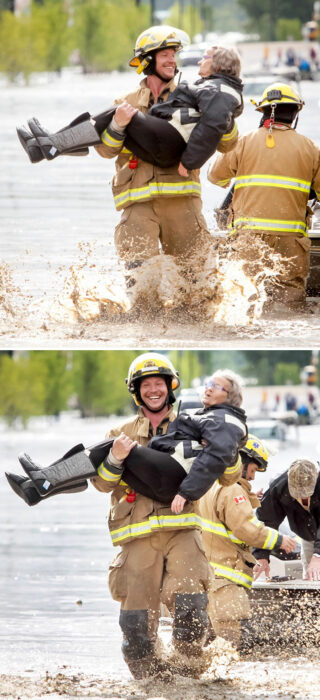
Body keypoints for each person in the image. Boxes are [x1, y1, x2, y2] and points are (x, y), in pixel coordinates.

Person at [17, 26, 242, 292]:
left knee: (197, 291)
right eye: (166, 55)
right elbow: (107, 150)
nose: (173, 61)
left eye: (174, 55)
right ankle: (54, 145)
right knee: (140, 293)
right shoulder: (126, 101)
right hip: (137, 205)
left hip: (183, 203)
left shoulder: (193, 93)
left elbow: (227, 146)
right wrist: (118, 126)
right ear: (148, 60)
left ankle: (52, 145)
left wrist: (223, 118)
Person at [6, 364, 248, 512]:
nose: (208, 388)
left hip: (176, 491)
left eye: (217, 387)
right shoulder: (205, 417)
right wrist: (115, 459)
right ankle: (37, 489)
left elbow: (220, 460)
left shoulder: (225, 421)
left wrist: (186, 492)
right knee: (111, 449)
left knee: (114, 445)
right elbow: (101, 484)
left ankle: (46, 479)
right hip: (154, 498)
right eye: (146, 385)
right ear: (136, 392)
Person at [207, 81, 320, 311]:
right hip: (291, 242)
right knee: (289, 307)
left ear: (263, 111)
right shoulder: (310, 148)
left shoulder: (243, 142)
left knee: (246, 300)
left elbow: (215, 178)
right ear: (296, 112)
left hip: (249, 240)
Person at [198, 436, 296, 651]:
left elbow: (224, 515)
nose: (252, 477)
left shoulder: (208, 483)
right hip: (225, 581)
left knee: (207, 642)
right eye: (252, 470)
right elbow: (245, 527)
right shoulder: (232, 489)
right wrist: (279, 539)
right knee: (229, 645)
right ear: (239, 459)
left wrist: (250, 498)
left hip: (207, 577)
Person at [253, 458, 320, 582]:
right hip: (308, 535)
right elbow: (267, 521)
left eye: (306, 493)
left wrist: (318, 555)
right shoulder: (279, 486)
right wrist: (261, 555)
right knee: (313, 579)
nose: (302, 497)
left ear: (316, 477)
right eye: (298, 494)